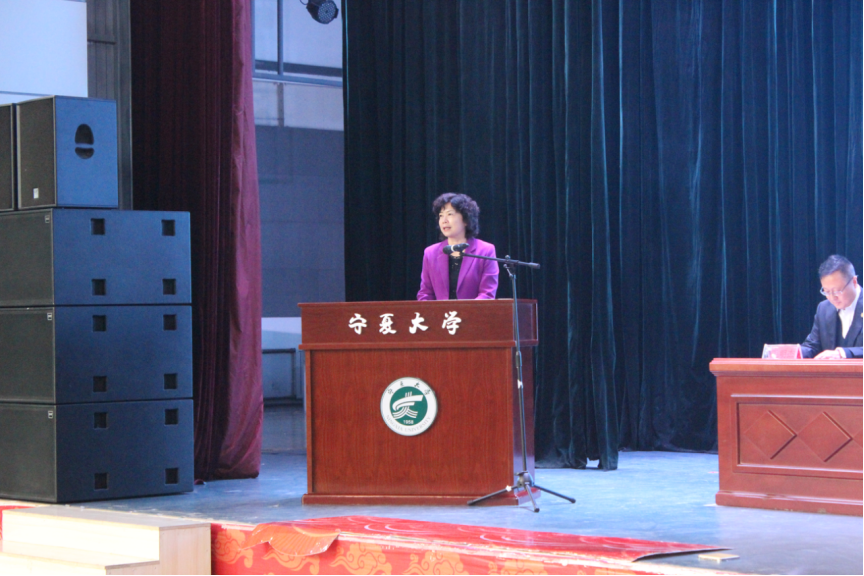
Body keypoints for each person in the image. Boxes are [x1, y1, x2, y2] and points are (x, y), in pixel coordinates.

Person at [417, 193, 499, 301]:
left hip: (474, 311)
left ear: (465, 220)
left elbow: (487, 294)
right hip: (439, 312)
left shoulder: (485, 250)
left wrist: (464, 311)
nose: (444, 220)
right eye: (441, 215)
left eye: (450, 214)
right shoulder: (431, 253)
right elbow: (425, 294)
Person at [801, 255, 863, 359]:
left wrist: (842, 353)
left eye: (837, 291)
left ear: (854, 282)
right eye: (826, 291)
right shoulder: (824, 308)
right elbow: (812, 346)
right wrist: (791, 352)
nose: (832, 297)